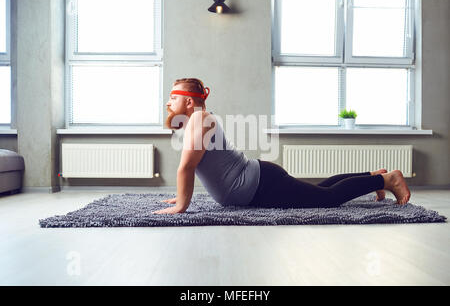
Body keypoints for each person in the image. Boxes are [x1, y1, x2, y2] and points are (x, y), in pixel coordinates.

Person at [152, 78, 411, 214]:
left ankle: (387, 180)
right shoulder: (198, 120)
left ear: (189, 102)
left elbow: (186, 168)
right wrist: (182, 194)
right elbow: (204, 168)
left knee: (327, 199)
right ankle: (374, 177)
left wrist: (181, 206)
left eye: (173, 97)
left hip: (259, 184)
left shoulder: (199, 118)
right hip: (259, 180)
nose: (168, 103)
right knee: (319, 190)